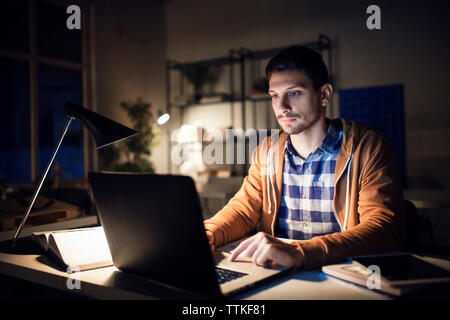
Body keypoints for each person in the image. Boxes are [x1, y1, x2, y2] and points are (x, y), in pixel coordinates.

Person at [204, 46, 405, 270]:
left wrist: (301, 253)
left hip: (344, 277)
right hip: (281, 275)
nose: (282, 107)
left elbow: (384, 228)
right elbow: (242, 211)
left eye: (294, 93)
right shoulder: (266, 151)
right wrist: (208, 233)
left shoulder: (368, 148)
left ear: (324, 95)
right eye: (275, 95)